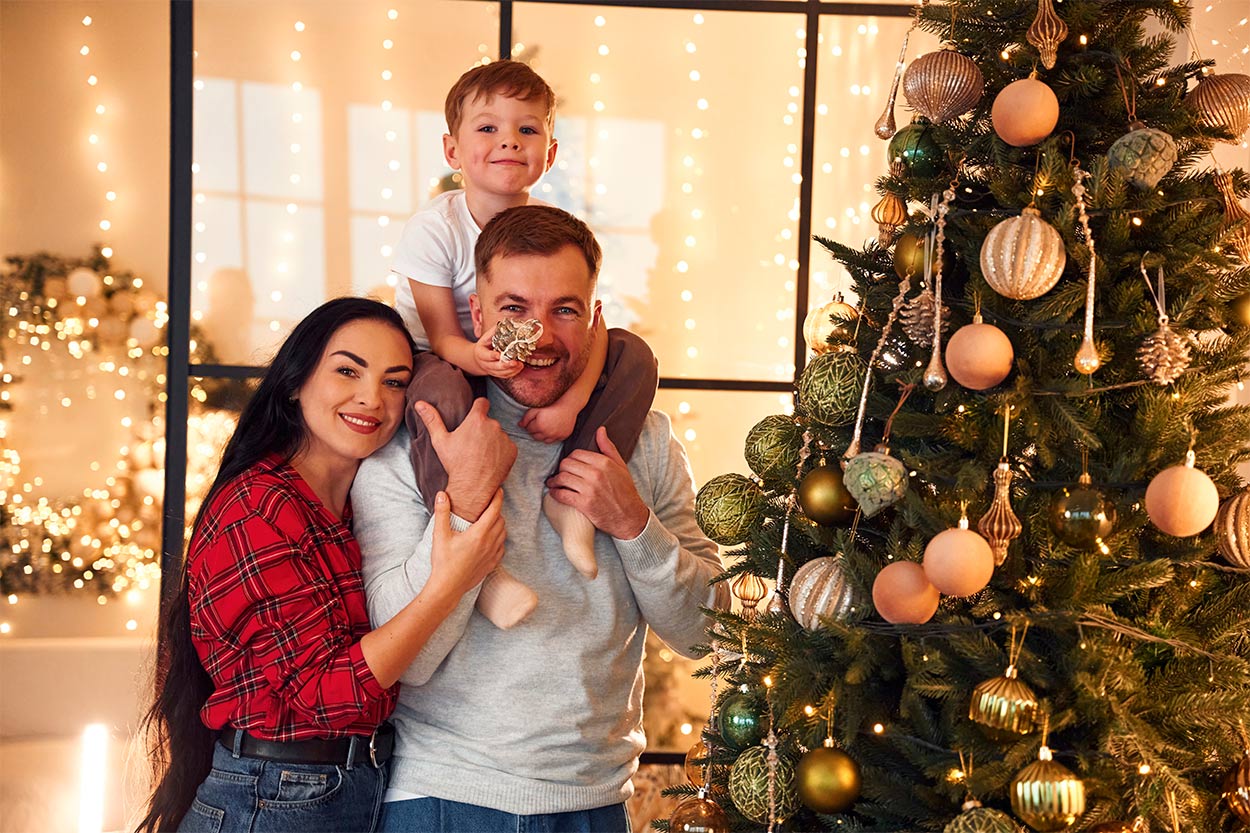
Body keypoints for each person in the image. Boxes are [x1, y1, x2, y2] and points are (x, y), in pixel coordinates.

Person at [353, 205, 730, 832]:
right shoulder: (414, 439)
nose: (540, 335)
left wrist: (634, 525)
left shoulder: (645, 441)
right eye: (514, 309)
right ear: (478, 316)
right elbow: (402, 659)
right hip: (441, 800)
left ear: (596, 320)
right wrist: (465, 504)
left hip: (594, 804)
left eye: (565, 310)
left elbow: (707, 636)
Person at [136, 298, 506, 833]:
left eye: (395, 382)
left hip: (348, 788)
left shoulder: (351, 509)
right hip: (274, 797)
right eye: (348, 371)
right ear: (295, 382)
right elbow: (322, 694)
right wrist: (448, 584)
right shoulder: (258, 508)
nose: (372, 398)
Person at [391, 60, 659, 628]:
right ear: (452, 150)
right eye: (488, 128)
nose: (509, 140)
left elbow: (592, 329)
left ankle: (568, 501)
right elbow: (441, 335)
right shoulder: (434, 231)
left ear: (550, 153)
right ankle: (476, 563)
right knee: (439, 393)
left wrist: (572, 404)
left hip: (513, 360)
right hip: (445, 357)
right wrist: (477, 357)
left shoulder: (552, 234)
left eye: (527, 129)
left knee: (634, 354)